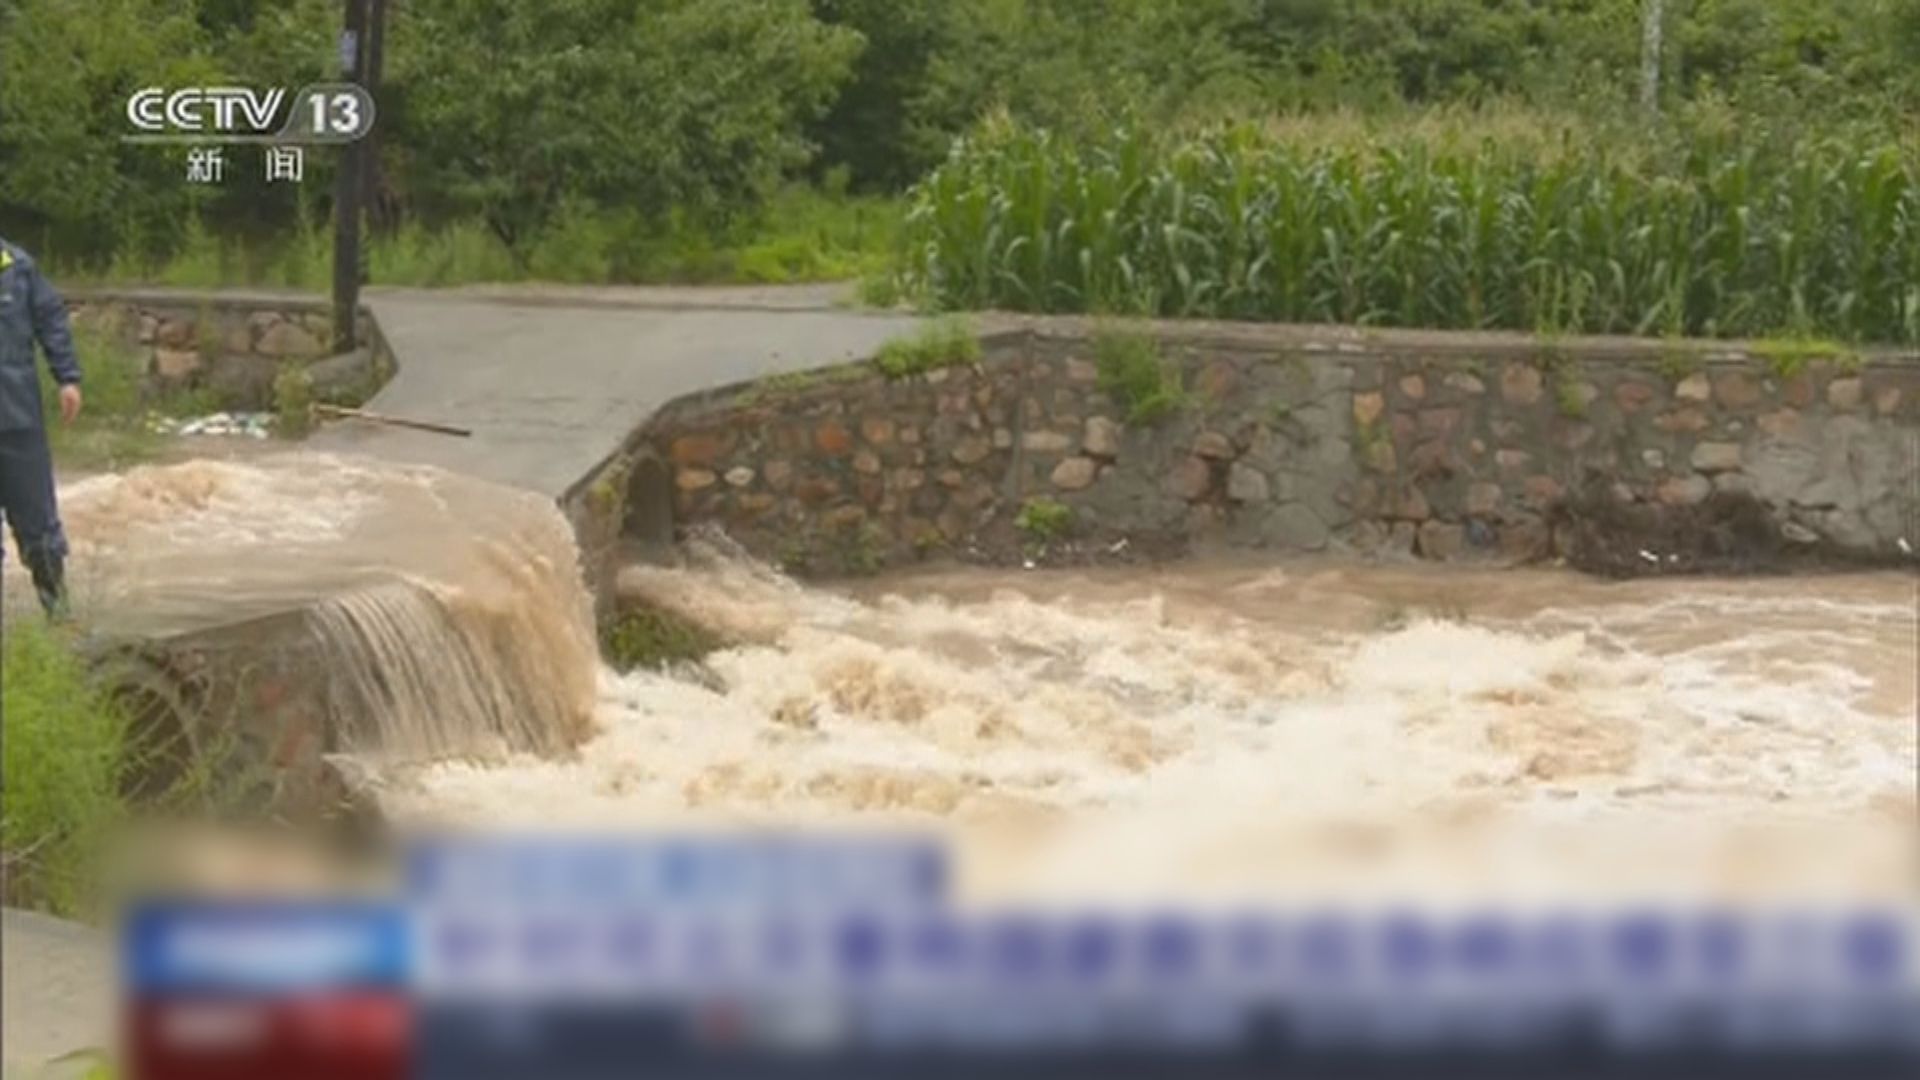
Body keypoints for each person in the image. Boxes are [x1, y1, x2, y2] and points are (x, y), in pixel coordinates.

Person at [0, 236, 82, 617]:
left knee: (40, 530)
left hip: (18, 421)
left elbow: (50, 318)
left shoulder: (15, 266)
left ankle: (58, 616)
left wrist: (67, 378)